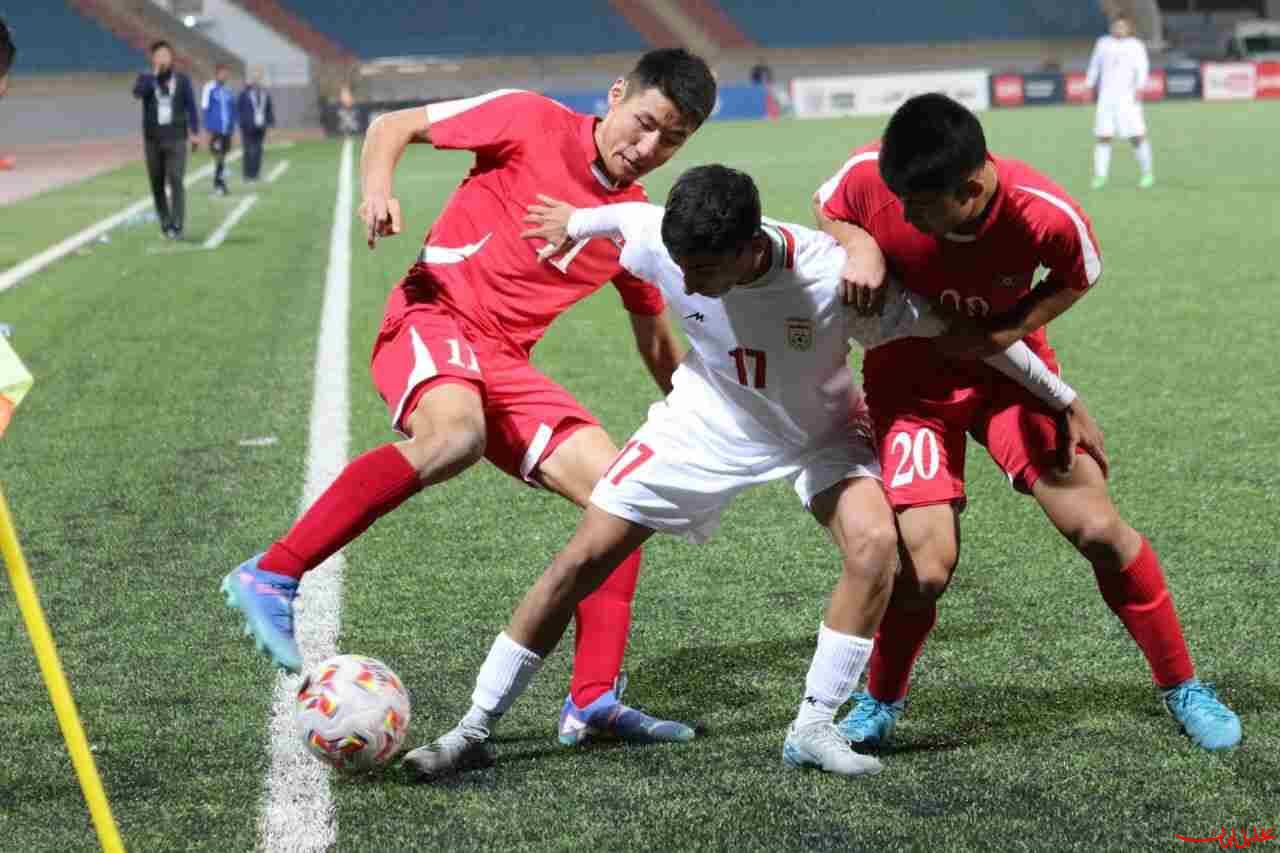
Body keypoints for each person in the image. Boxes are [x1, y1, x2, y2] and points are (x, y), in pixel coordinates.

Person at [403, 164, 1092, 780]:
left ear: (749, 247)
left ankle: (813, 726)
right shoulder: (667, 242)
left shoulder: (833, 279)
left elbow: (964, 334)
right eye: (682, 266)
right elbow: (622, 220)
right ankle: (473, 726)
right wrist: (574, 221)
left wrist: (1061, 398)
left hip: (818, 431)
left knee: (876, 546)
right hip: (704, 422)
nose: (689, 281)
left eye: (703, 272)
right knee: (581, 558)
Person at [221, 49, 718, 746]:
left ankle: (592, 699)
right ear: (615, 95)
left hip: (506, 364)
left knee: (626, 496)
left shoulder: (633, 223)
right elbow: (392, 126)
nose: (647, 148)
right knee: (455, 436)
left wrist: (705, 418)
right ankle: (273, 572)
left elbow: (657, 341)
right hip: (433, 316)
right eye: (644, 124)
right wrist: (377, 190)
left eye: (672, 140)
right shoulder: (529, 119)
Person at [813, 93, 1240, 752]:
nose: (906, 214)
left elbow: (1081, 272)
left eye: (921, 206)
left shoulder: (1043, 213)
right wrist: (859, 241)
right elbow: (830, 201)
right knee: (923, 570)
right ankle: (881, 697)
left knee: (1097, 528)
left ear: (973, 186)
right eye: (898, 201)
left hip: (1010, 378)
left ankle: (1182, 684)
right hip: (910, 386)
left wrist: (1008, 330)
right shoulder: (879, 176)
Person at [132, 41, 199, 239]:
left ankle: (178, 223)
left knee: (176, 178)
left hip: (177, 137)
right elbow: (137, 94)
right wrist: (153, 75)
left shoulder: (182, 80)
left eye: (166, 54)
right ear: (153, 59)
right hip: (153, 139)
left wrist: (195, 132)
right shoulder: (146, 78)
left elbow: (191, 107)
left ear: (172, 57)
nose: (163, 58)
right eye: (159, 55)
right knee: (157, 183)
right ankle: (165, 222)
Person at [1086, 14, 1154, 189]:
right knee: (1103, 136)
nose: (1119, 29)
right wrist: (1089, 84)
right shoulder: (1103, 43)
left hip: (1128, 98)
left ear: (1129, 28)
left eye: (1122, 27)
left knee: (1136, 136)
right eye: (1116, 26)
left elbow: (1143, 67)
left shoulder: (1135, 45)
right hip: (1106, 98)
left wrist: (1140, 87)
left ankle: (1147, 173)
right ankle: (1100, 176)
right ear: (1111, 27)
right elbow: (1095, 65)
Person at [202, 64, 236, 196]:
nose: (225, 76)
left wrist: (232, 127)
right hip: (215, 129)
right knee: (219, 157)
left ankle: (220, 183)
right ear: (216, 74)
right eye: (222, 73)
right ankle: (219, 185)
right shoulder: (209, 88)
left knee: (223, 156)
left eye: (226, 73)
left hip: (227, 129)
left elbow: (232, 109)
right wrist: (207, 129)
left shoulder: (228, 89)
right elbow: (205, 107)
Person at [238, 70, 274, 182]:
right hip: (247, 126)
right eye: (255, 78)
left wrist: (270, 124)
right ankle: (247, 174)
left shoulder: (265, 94)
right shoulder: (245, 93)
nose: (257, 81)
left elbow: (268, 110)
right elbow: (238, 108)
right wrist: (241, 122)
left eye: (259, 79)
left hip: (260, 126)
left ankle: (255, 173)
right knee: (248, 150)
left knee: (258, 150)